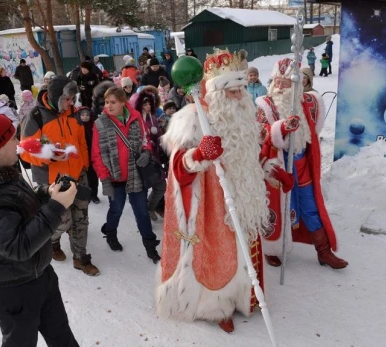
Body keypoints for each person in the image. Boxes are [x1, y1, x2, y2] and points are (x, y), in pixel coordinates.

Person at [156, 49, 270, 333]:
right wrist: (199, 154)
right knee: (217, 256)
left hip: (243, 200)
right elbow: (178, 167)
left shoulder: (244, 113)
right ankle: (216, 306)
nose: (240, 95)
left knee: (243, 251)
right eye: (233, 90)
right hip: (212, 206)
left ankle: (244, 296)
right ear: (218, 91)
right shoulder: (193, 116)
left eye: (242, 88)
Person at [0, 110, 80, 347]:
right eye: (12, 139)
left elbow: (18, 201)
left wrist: (46, 193)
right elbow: (17, 246)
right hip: (12, 290)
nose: (19, 143)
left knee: (61, 336)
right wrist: (56, 207)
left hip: (40, 275)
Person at [256, 58, 348, 269]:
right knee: (277, 208)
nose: (279, 87)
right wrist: (282, 128)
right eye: (276, 82)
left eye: (285, 82)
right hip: (277, 166)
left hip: (301, 162)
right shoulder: (265, 105)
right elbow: (261, 135)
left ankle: (324, 251)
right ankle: (273, 249)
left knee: (310, 206)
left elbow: (313, 132)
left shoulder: (308, 103)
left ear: (296, 84)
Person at [20, 76, 99, 276]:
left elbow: (81, 143)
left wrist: (84, 166)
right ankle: (52, 241)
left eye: (73, 99)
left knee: (81, 218)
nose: (72, 103)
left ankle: (80, 257)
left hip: (78, 176)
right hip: (53, 181)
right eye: (68, 99)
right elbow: (26, 151)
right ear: (57, 97)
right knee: (62, 221)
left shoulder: (74, 115)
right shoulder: (36, 116)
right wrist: (49, 157)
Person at [91, 86, 161, 263]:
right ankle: (110, 233)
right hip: (115, 177)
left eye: (113, 102)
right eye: (106, 102)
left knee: (142, 211)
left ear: (123, 102)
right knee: (116, 209)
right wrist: (104, 179)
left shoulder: (136, 118)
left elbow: (145, 141)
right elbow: (96, 154)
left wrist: (146, 152)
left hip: (135, 174)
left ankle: (150, 244)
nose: (108, 106)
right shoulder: (100, 123)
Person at [134, 90, 165, 221]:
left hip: (155, 158)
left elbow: (158, 136)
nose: (147, 107)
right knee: (144, 187)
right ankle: (143, 214)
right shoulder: (135, 119)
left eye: (149, 105)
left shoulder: (153, 118)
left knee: (161, 186)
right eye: (144, 104)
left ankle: (150, 207)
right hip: (142, 159)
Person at [87, 80, 116, 204]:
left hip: (113, 140)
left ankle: (115, 189)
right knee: (95, 169)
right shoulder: (95, 108)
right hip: (98, 140)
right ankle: (93, 193)